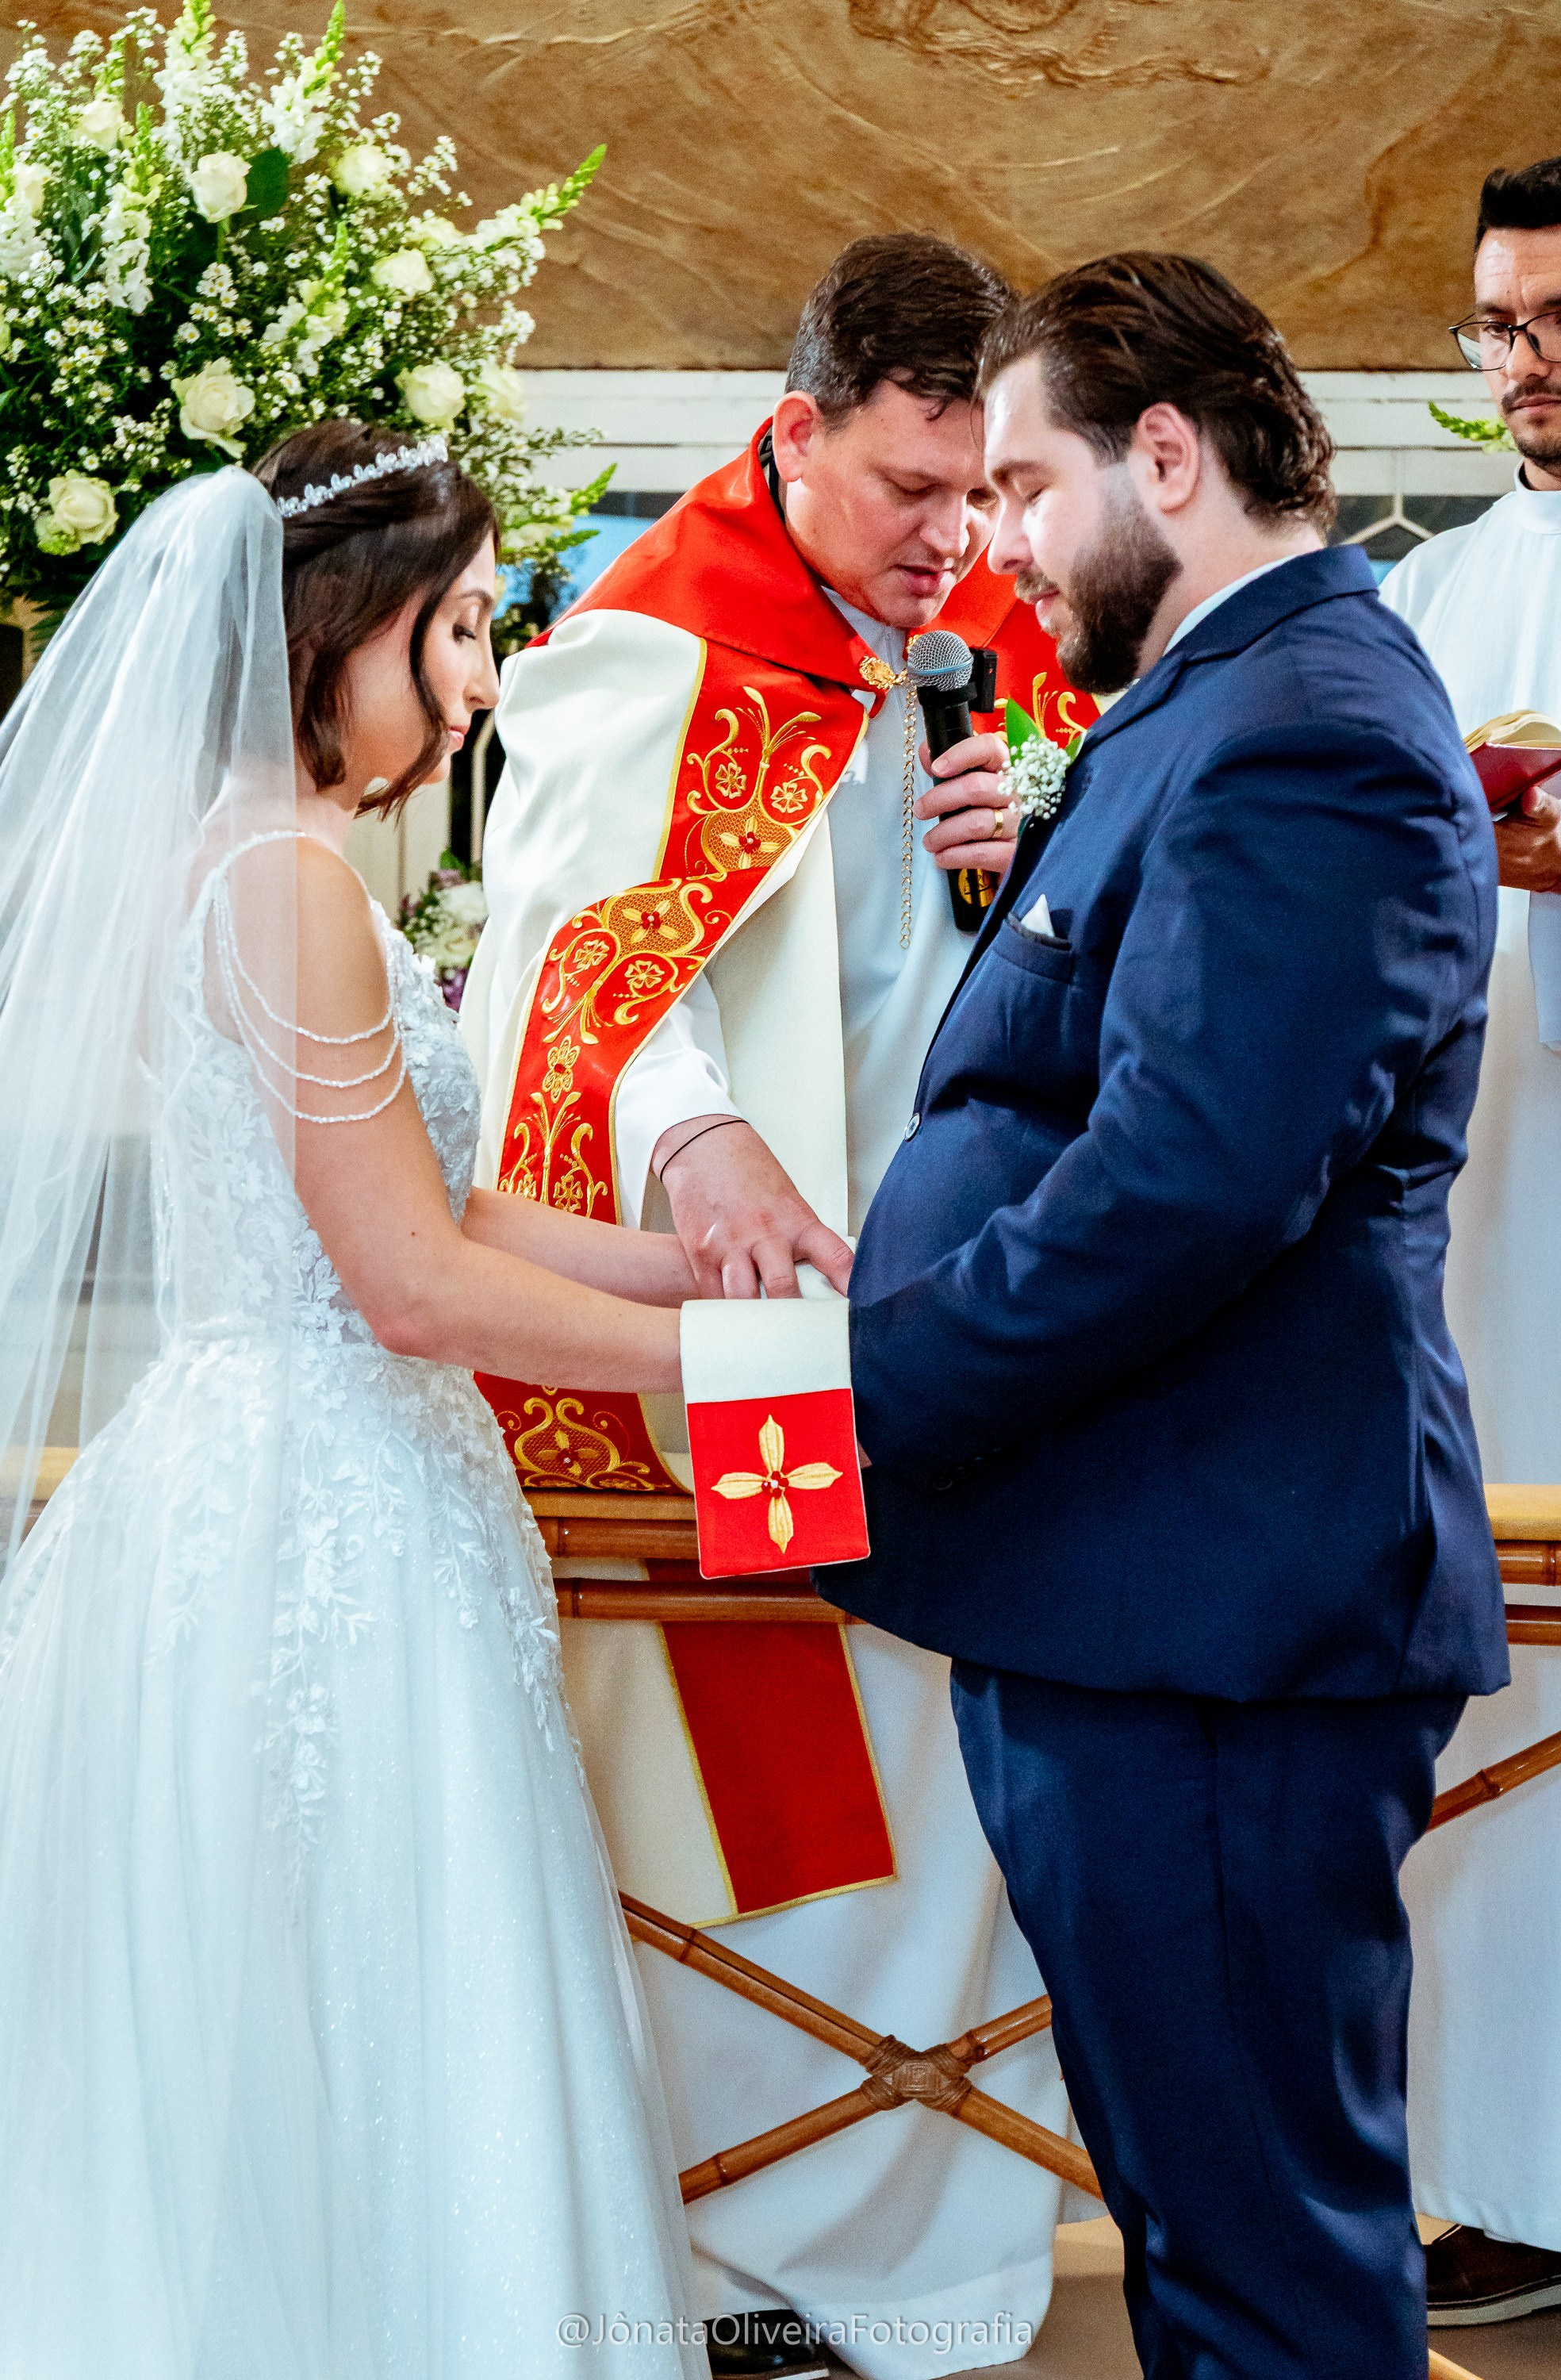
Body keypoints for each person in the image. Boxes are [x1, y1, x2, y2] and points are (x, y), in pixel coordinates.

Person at [821, 253, 1509, 2380]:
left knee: (1265, 2270)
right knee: (1204, 2227)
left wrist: (881, 1390)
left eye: (1026, 484)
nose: (998, 541)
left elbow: (1191, 1183)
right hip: (1147, 1590)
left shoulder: (1309, 730)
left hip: (1219, 1610)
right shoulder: (1222, 707)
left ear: (1174, 459)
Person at [0, 424, 710, 2378]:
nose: (484, 678)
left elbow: (443, 1202)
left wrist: (704, 1268)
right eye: (464, 628)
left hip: (321, 1462)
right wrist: (740, 1372)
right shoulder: (289, 887)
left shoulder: (277, 868)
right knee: (371, 1986)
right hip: (319, 1496)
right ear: (348, 624)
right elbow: (403, 1287)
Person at [463, 236, 1095, 2380]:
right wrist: (692, 1145)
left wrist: (1051, 824)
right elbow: (572, 956)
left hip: (979, 1315)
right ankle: (740, 2261)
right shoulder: (652, 638)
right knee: (770, 1777)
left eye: (983, 489)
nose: (955, 541)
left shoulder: (998, 634)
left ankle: (926, 2255)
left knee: (958, 1773)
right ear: (801, 433)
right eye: (915, 490)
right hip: (748, 1323)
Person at [1380, 150, 1561, 2329]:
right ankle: (1507, 2170)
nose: (1519, 367)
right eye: (1495, 325)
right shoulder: (1426, 599)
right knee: (1501, 1671)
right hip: (1488, 1198)